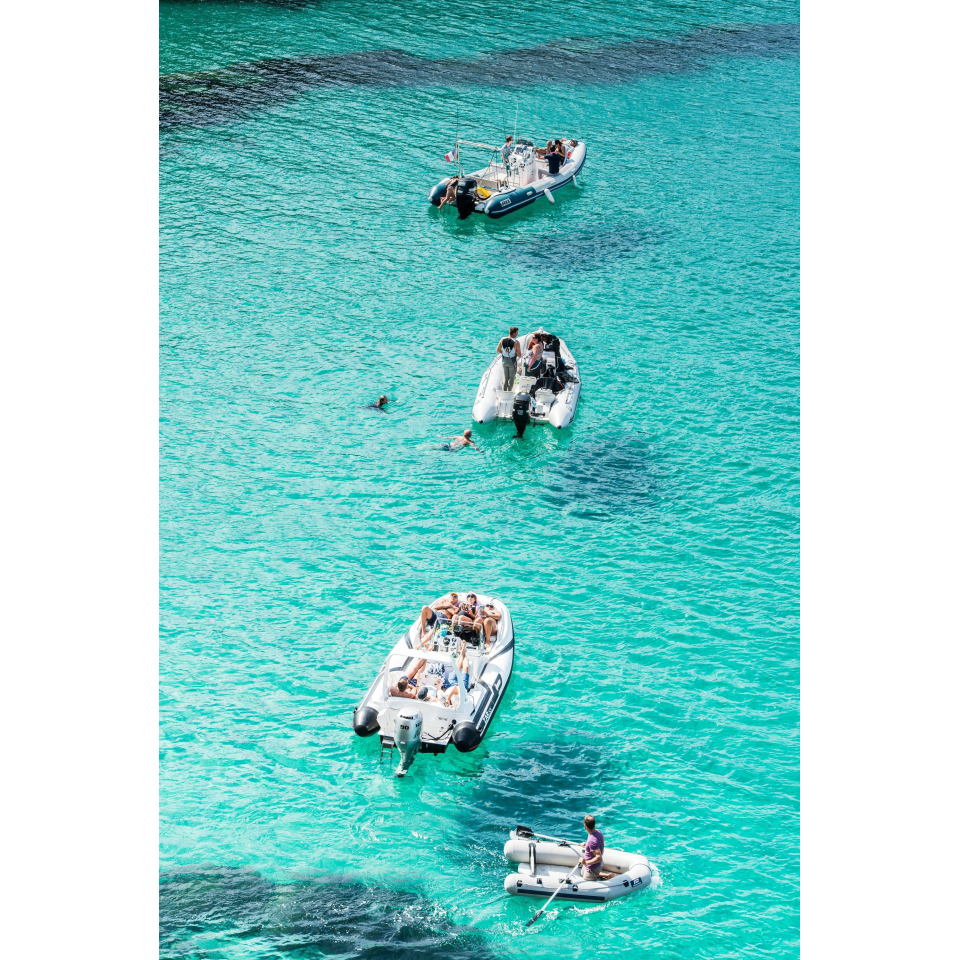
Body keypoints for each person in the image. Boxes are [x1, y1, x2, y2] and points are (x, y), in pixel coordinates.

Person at [578, 816, 614, 880]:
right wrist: (587, 845)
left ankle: (608, 876)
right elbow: (603, 839)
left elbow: (599, 858)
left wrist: (585, 862)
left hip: (592, 867)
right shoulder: (598, 831)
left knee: (586, 881)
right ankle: (604, 875)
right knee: (582, 873)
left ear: (585, 825)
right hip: (591, 865)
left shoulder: (591, 841)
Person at [440, 640, 472, 706]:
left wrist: (448, 699)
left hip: (451, 686)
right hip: (461, 688)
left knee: (456, 668)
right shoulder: (455, 705)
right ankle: (463, 653)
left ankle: (462, 652)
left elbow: (454, 687)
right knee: (465, 667)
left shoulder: (445, 700)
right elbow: (457, 689)